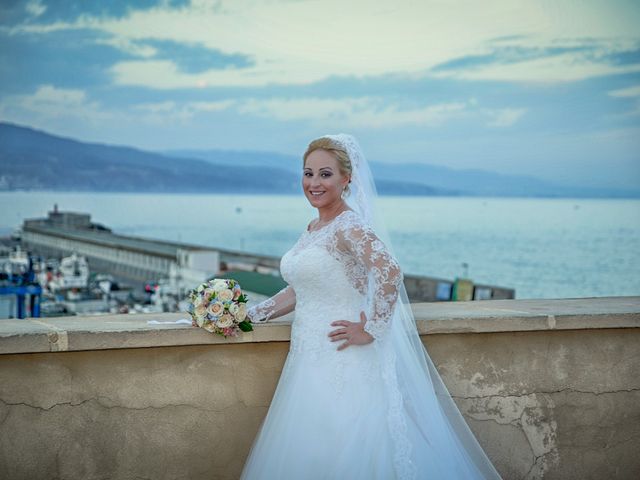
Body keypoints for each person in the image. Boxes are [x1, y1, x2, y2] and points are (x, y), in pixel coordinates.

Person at [239, 134, 502, 479]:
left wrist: (372, 328)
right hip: (308, 354)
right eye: (308, 173)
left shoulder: (349, 226)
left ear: (347, 179)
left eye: (325, 174)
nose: (314, 183)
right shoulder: (316, 227)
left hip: (342, 352)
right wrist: (245, 315)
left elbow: (390, 272)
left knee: (348, 443)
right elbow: (300, 289)